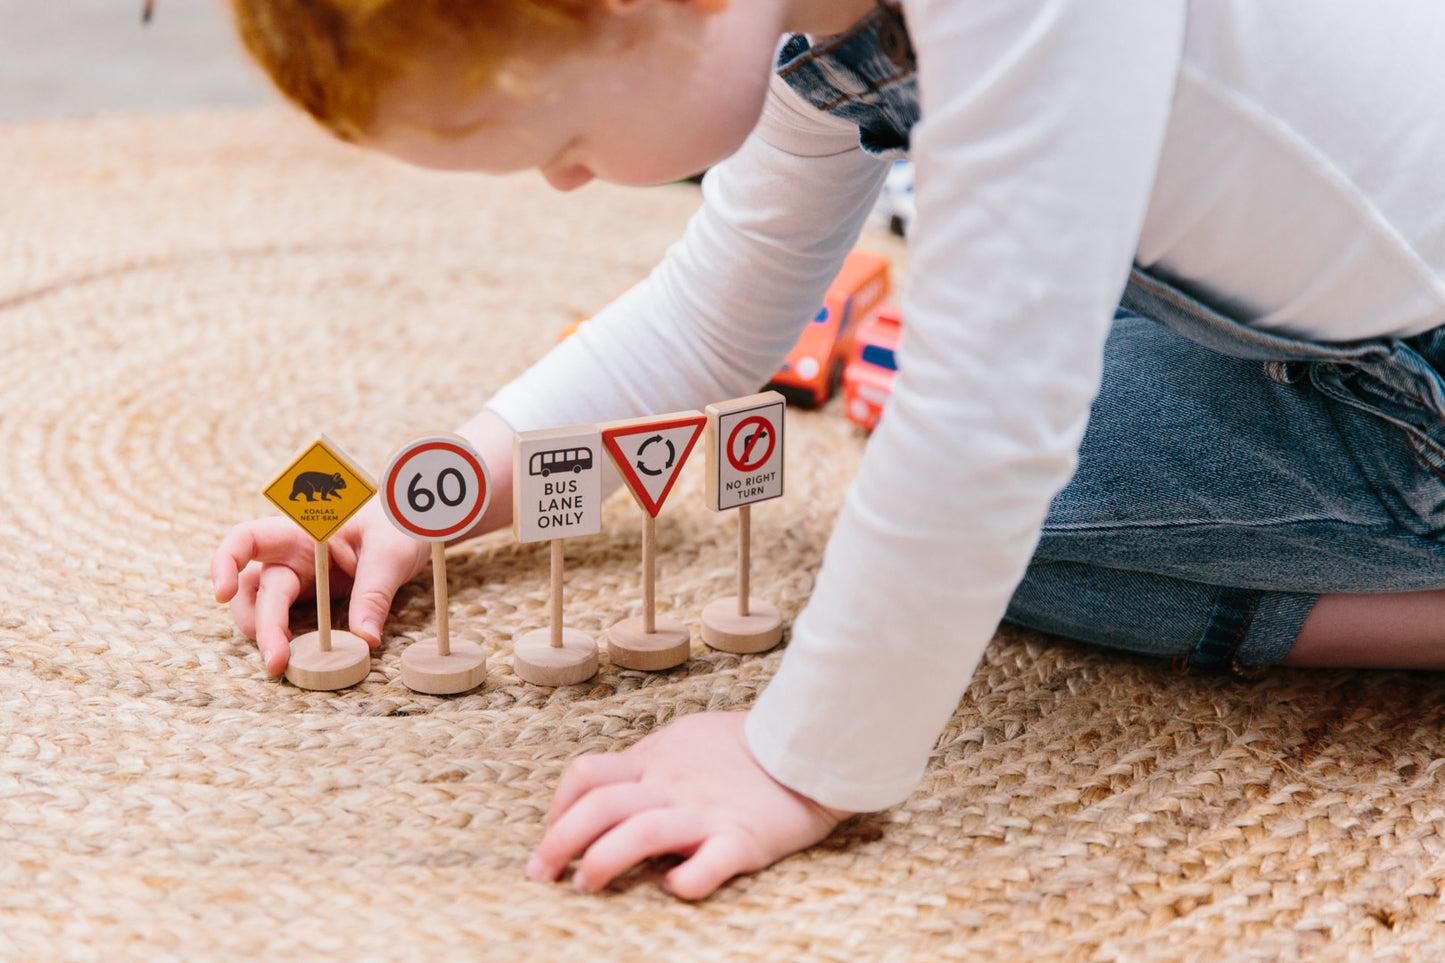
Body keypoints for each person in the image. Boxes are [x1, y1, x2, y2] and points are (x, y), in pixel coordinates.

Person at [210, 0, 1445, 900]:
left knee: (997, 529)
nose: (565, 184)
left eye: (560, 141)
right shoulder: (801, 23)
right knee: (957, 513)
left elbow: (984, 422)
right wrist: (429, 497)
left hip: (1416, 372)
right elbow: (712, 314)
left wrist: (795, 762)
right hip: (1337, 301)